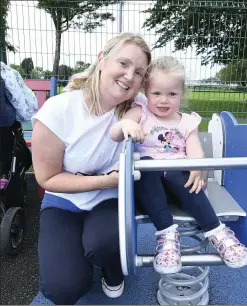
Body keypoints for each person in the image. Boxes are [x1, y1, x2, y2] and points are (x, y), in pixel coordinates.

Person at [31, 33, 151, 304]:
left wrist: (195, 157)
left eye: (139, 72)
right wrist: (106, 181)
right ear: (101, 60)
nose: (129, 76)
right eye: (123, 63)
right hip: (64, 200)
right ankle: (78, 265)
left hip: (109, 199)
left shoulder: (137, 108)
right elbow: (47, 177)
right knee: (63, 288)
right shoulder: (57, 111)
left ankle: (113, 270)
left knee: (104, 245)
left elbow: (174, 127)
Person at [109, 56, 247, 275]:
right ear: (146, 93)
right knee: (144, 166)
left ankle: (217, 232)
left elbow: (195, 149)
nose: (163, 100)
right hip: (149, 190)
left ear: (181, 94)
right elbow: (115, 134)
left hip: (180, 187)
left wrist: (199, 167)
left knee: (179, 171)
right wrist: (126, 123)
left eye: (172, 94)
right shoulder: (140, 113)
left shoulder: (187, 122)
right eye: (156, 93)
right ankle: (166, 235)